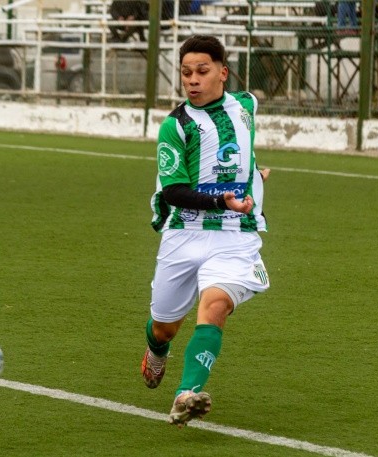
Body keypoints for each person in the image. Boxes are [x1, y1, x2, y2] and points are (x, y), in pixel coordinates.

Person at [141, 34, 270, 428]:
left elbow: (240, 149)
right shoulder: (175, 127)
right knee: (165, 326)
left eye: (202, 71)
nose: (193, 80)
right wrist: (222, 199)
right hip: (185, 232)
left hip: (234, 232)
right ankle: (156, 351)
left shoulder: (247, 105)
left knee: (214, 307)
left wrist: (254, 177)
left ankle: (186, 394)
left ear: (222, 72)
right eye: (185, 73)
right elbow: (176, 191)